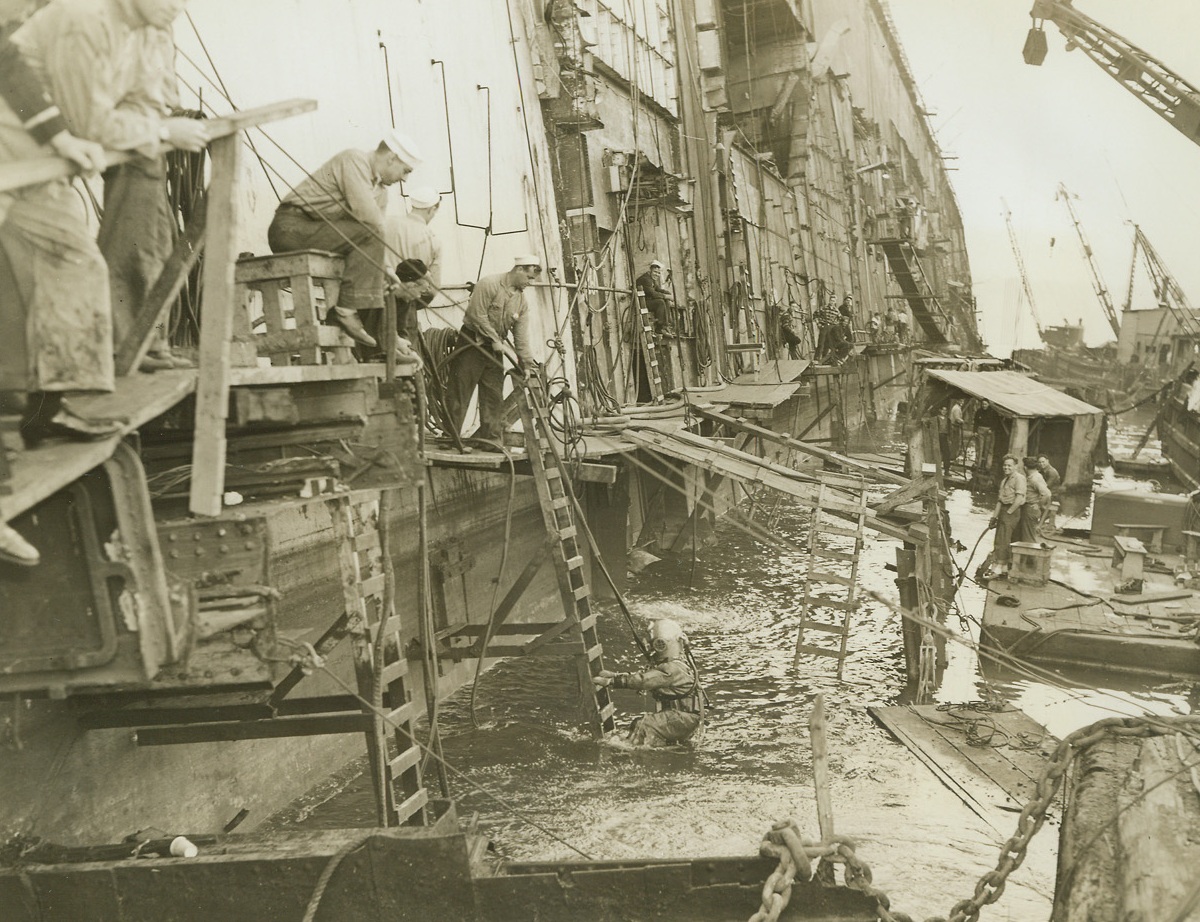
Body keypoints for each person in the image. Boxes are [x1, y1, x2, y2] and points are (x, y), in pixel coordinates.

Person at [14, 3, 212, 375]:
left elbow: (149, 101)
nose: (178, 6)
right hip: (22, 146)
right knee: (66, 257)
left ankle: (138, 339)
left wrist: (153, 128)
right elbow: (89, 120)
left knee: (153, 218)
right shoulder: (85, 18)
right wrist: (162, 132)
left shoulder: (151, 26)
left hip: (66, 138)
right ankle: (69, 377)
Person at [0, 32, 112, 567]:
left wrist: (63, 142)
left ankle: (46, 408)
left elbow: (12, 67)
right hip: (12, 173)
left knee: (68, 271)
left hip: (25, 171)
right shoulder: (74, 27)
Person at [267, 129, 421, 348]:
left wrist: (386, 271)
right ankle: (346, 310)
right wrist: (382, 267)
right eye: (405, 170)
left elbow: (374, 240)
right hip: (290, 229)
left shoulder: (381, 192)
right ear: (391, 158)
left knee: (381, 275)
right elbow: (370, 221)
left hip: (320, 234)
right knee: (373, 235)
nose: (405, 178)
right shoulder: (354, 160)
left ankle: (385, 340)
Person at [445, 255, 541, 442]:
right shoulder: (489, 283)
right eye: (529, 278)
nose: (530, 283)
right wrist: (494, 338)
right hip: (471, 343)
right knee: (460, 390)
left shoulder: (521, 302)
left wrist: (527, 364)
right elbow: (476, 315)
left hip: (494, 349)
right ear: (519, 269)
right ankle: (450, 438)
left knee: (493, 395)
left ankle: (490, 441)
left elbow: (521, 338)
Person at [592, 618, 704, 748]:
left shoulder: (672, 668)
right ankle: (640, 744)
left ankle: (628, 749)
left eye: (652, 644)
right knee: (636, 723)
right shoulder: (676, 664)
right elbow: (646, 677)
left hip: (684, 719)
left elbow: (643, 680)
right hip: (683, 717)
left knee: (644, 724)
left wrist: (611, 681)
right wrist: (616, 676)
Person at [368, 182, 442, 352]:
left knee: (376, 350)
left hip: (378, 296)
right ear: (432, 209)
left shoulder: (387, 224)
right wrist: (413, 301)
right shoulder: (433, 240)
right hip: (406, 305)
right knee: (409, 354)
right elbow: (432, 289)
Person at [986, 454, 1026, 578]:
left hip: (1011, 511)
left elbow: (1019, 498)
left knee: (1003, 540)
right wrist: (994, 517)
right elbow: (1000, 501)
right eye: (1005, 465)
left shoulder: (1019, 478)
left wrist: (1009, 513)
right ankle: (1002, 569)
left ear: (1015, 466)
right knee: (999, 539)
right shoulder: (1004, 480)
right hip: (1003, 510)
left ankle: (998, 569)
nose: (1006, 467)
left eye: (1009, 465)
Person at [636, 260, 676, 334]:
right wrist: (666, 296)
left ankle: (666, 325)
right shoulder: (646, 279)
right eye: (655, 272)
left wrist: (668, 294)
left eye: (658, 273)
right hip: (641, 302)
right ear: (650, 270)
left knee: (665, 300)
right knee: (660, 302)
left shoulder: (652, 279)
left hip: (647, 301)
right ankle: (659, 328)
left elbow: (658, 289)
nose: (657, 274)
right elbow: (652, 293)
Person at [1019, 456, 1051, 543]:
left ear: (1025, 468)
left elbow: (1047, 494)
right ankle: (1026, 556)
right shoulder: (1035, 476)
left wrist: (1038, 505)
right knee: (1026, 535)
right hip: (1028, 508)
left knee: (1028, 537)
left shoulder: (1034, 478)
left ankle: (1031, 556)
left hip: (1030, 509)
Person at [1037, 454, 1062, 533]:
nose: (1041, 464)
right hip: (1047, 493)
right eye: (1040, 462)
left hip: (1053, 495)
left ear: (1047, 461)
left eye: (1043, 462)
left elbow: (1046, 486)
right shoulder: (1042, 471)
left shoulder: (1052, 472)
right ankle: (1041, 523)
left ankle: (1041, 524)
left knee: (1036, 503)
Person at [948, 399, 964, 467]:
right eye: (961, 401)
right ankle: (952, 457)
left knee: (955, 442)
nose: (962, 403)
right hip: (955, 427)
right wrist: (963, 421)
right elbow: (957, 418)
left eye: (963, 401)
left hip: (954, 426)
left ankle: (952, 456)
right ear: (958, 401)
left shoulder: (957, 407)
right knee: (955, 442)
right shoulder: (957, 408)